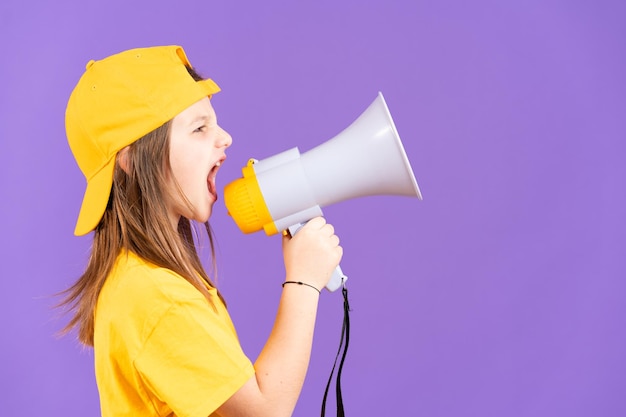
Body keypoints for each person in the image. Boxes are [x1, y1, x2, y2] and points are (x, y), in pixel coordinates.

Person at [60, 45, 343, 417]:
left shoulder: (145, 283)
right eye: (199, 128)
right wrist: (303, 282)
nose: (225, 138)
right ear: (131, 158)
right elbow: (265, 411)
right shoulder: (157, 299)